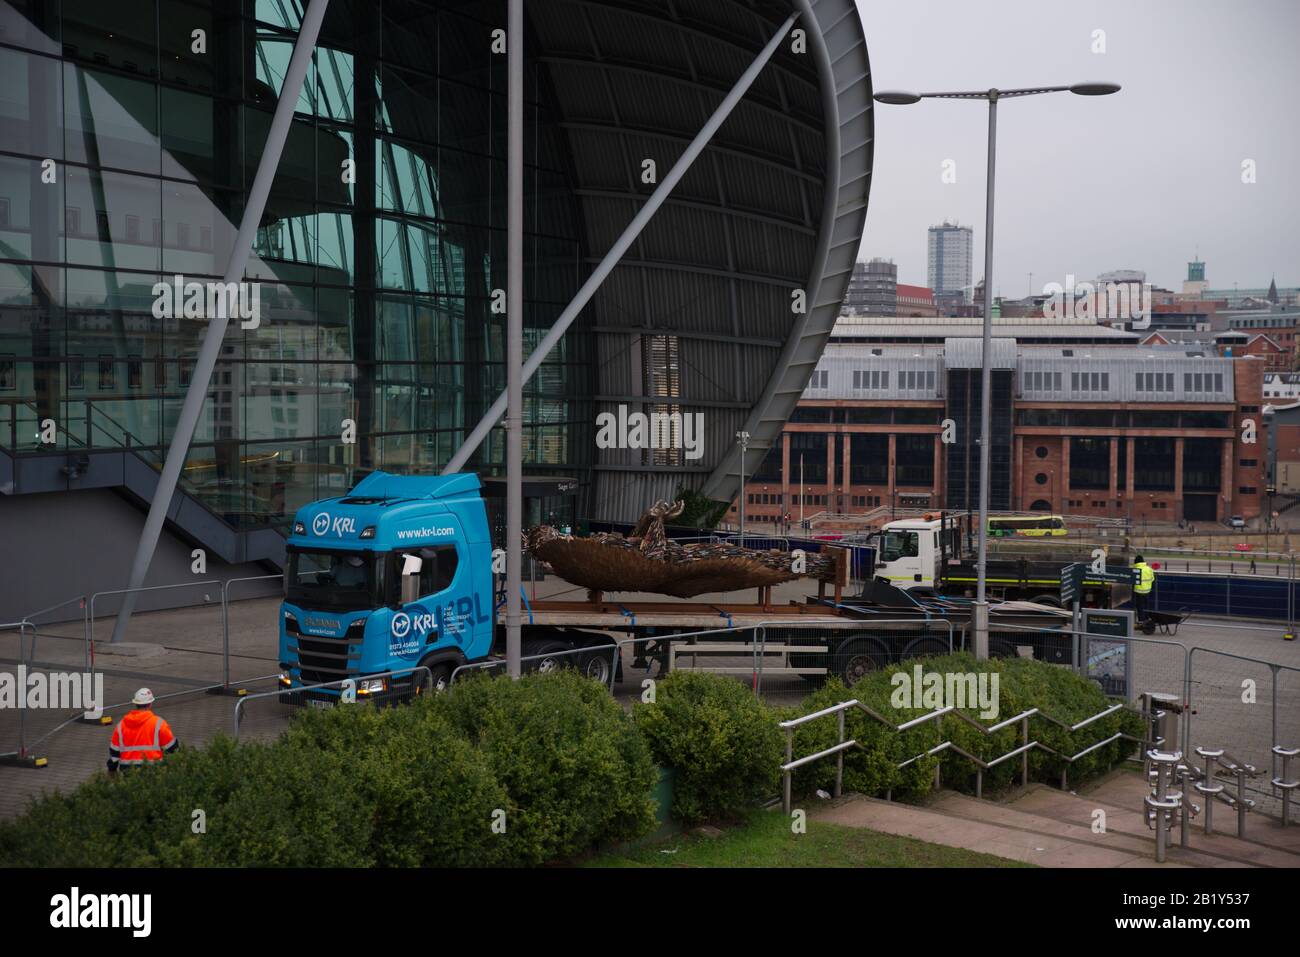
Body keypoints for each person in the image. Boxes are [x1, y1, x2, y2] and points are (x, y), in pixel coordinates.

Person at [107, 688, 178, 773]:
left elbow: (114, 755)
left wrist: (112, 771)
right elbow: (172, 749)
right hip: (153, 771)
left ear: (136, 704)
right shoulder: (158, 723)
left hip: (128, 772)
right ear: (150, 704)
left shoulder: (121, 725)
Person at [1132, 554, 1155, 623]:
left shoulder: (1135, 569)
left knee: (1140, 607)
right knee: (1146, 607)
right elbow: (1152, 579)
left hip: (1138, 592)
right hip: (1147, 591)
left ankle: (1141, 622)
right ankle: (1147, 620)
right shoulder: (1149, 569)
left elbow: (1132, 581)